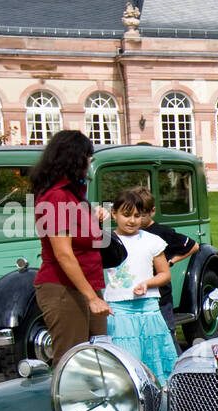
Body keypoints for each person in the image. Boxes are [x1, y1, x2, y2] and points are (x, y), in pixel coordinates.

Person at [32, 130, 112, 364]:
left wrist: (94, 220)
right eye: (88, 156)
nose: (90, 162)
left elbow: (80, 238)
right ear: (76, 159)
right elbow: (63, 253)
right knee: (72, 362)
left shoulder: (74, 195)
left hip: (87, 283)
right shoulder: (55, 197)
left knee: (97, 359)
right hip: (63, 288)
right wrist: (92, 298)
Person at [101, 186, 178, 384]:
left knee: (155, 358)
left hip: (148, 307)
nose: (132, 220)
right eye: (126, 215)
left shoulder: (152, 240)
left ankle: (161, 396)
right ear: (114, 213)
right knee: (126, 361)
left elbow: (164, 274)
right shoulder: (106, 240)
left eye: (137, 215)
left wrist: (147, 283)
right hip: (120, 310)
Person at [139, 200, 200, 343]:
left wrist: (171, 261)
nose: (138, 220)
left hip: (161, 295)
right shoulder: (132, 233)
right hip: (141, 294)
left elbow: (194, 246)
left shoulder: (162, 232)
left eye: (142, 215)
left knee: (167, 334)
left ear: (152, 211)